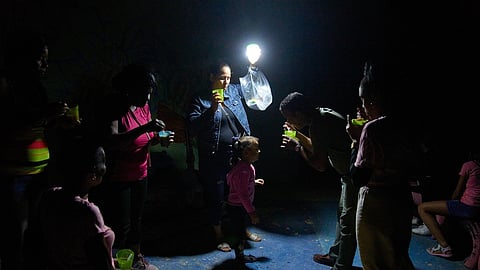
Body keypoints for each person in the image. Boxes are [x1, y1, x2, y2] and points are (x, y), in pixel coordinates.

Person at [87, 63, 172, 270]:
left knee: (137, 220)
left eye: (150, 93)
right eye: (144, 92)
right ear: (130, 88)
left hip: (140, 171)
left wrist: (159, 139)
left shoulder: (143, 106)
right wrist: (147, 128)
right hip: (119, 176)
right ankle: (113, 263)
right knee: (121, 225)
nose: (148, 98)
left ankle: (135, 257)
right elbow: (112, 141)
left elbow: (146, 137)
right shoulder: (114, 105)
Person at [0, 29, 69, 270]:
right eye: (41, 58)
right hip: (13, 174)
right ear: (22, 57)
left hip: (38, 174)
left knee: (35, 232)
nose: (45, 65)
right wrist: (44, 113)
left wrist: (56, 120)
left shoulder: (36, 88)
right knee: (14, 234)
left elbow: (36, 125)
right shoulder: (5, 85)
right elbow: (8, 123)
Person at [186, 60, 265, 252]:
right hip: (213, 158)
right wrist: (212, 108)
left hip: (237, 156)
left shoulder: (234, 91)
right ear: (211, 77)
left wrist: (253, 69)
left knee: (241, 194)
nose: (226, 82)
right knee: (216, 197)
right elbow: (192, 128)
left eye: (229, 78)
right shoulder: (200, 99)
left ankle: (242, 230)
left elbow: (255, 92)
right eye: (222, 78)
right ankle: (219, 234)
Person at [349, 62, 420, 269]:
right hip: (402, 197)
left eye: (365, 101)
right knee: (397, 256)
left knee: (375, 261)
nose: (363, 107)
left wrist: (355, 141)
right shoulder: (408, 123)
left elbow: (358, 177)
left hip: (376, 201)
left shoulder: (372, 129)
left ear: (376, 100)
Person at [279, 92, 357, 270]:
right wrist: (297, 135)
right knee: (342, 214)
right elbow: (317, 146)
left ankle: (342, 266)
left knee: (348, 222)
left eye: (289, 117)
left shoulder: (319, 124)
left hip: (355, 176)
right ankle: (335, 255)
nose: (289, 121)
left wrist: (298, 149)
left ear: (298, 114)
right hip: (348, 175)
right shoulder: (320, 116)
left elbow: (320, 165)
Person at [28, 135, 115, 270]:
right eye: (103, 163)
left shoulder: (49, 196)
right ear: (92, 176)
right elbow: (99, 262)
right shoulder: (88, 211)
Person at [417, 148, 480, 258]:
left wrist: (450, 202)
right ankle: (439, 235)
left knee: (422, 208)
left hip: (467, 206)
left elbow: (457, 191)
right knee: (444, 207)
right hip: (477, 208)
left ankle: (444, 247)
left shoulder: (469, 165)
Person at [225, 135, 264, 264]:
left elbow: (241, 185)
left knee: (240, 231)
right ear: (247, 153)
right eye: (256, 149)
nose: (259, 151)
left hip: (238, 206)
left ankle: (240, 255)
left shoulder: (245, 167)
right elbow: (243, 195)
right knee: (239, 234)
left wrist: (253, 182)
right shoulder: (243, 171)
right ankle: (240, 257)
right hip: (237, 207)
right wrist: (252, 213)